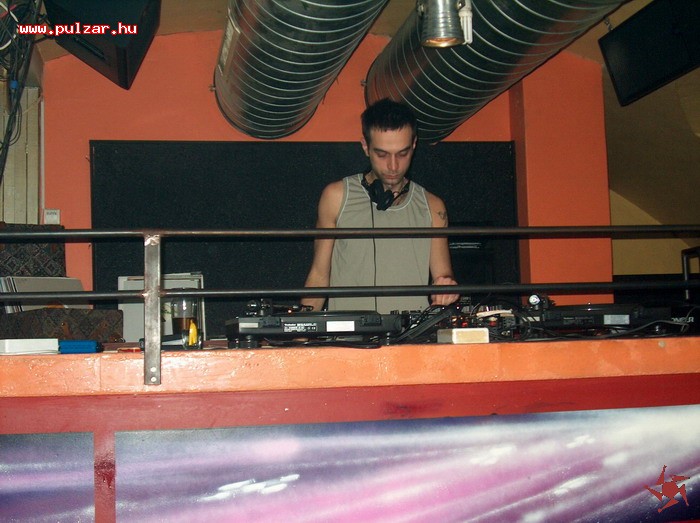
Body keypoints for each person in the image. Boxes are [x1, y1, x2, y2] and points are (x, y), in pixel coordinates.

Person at [301, 98, 459, 314]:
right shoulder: (336, 197)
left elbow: (443, 277)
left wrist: (447, 287)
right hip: (350, 332)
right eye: (382, 154)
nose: (393, 166)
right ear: (365, 147)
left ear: (414, 144)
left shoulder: (433, 206)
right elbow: (319, 275)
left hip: (412, 333)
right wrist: (301, 327)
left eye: (402, 153)